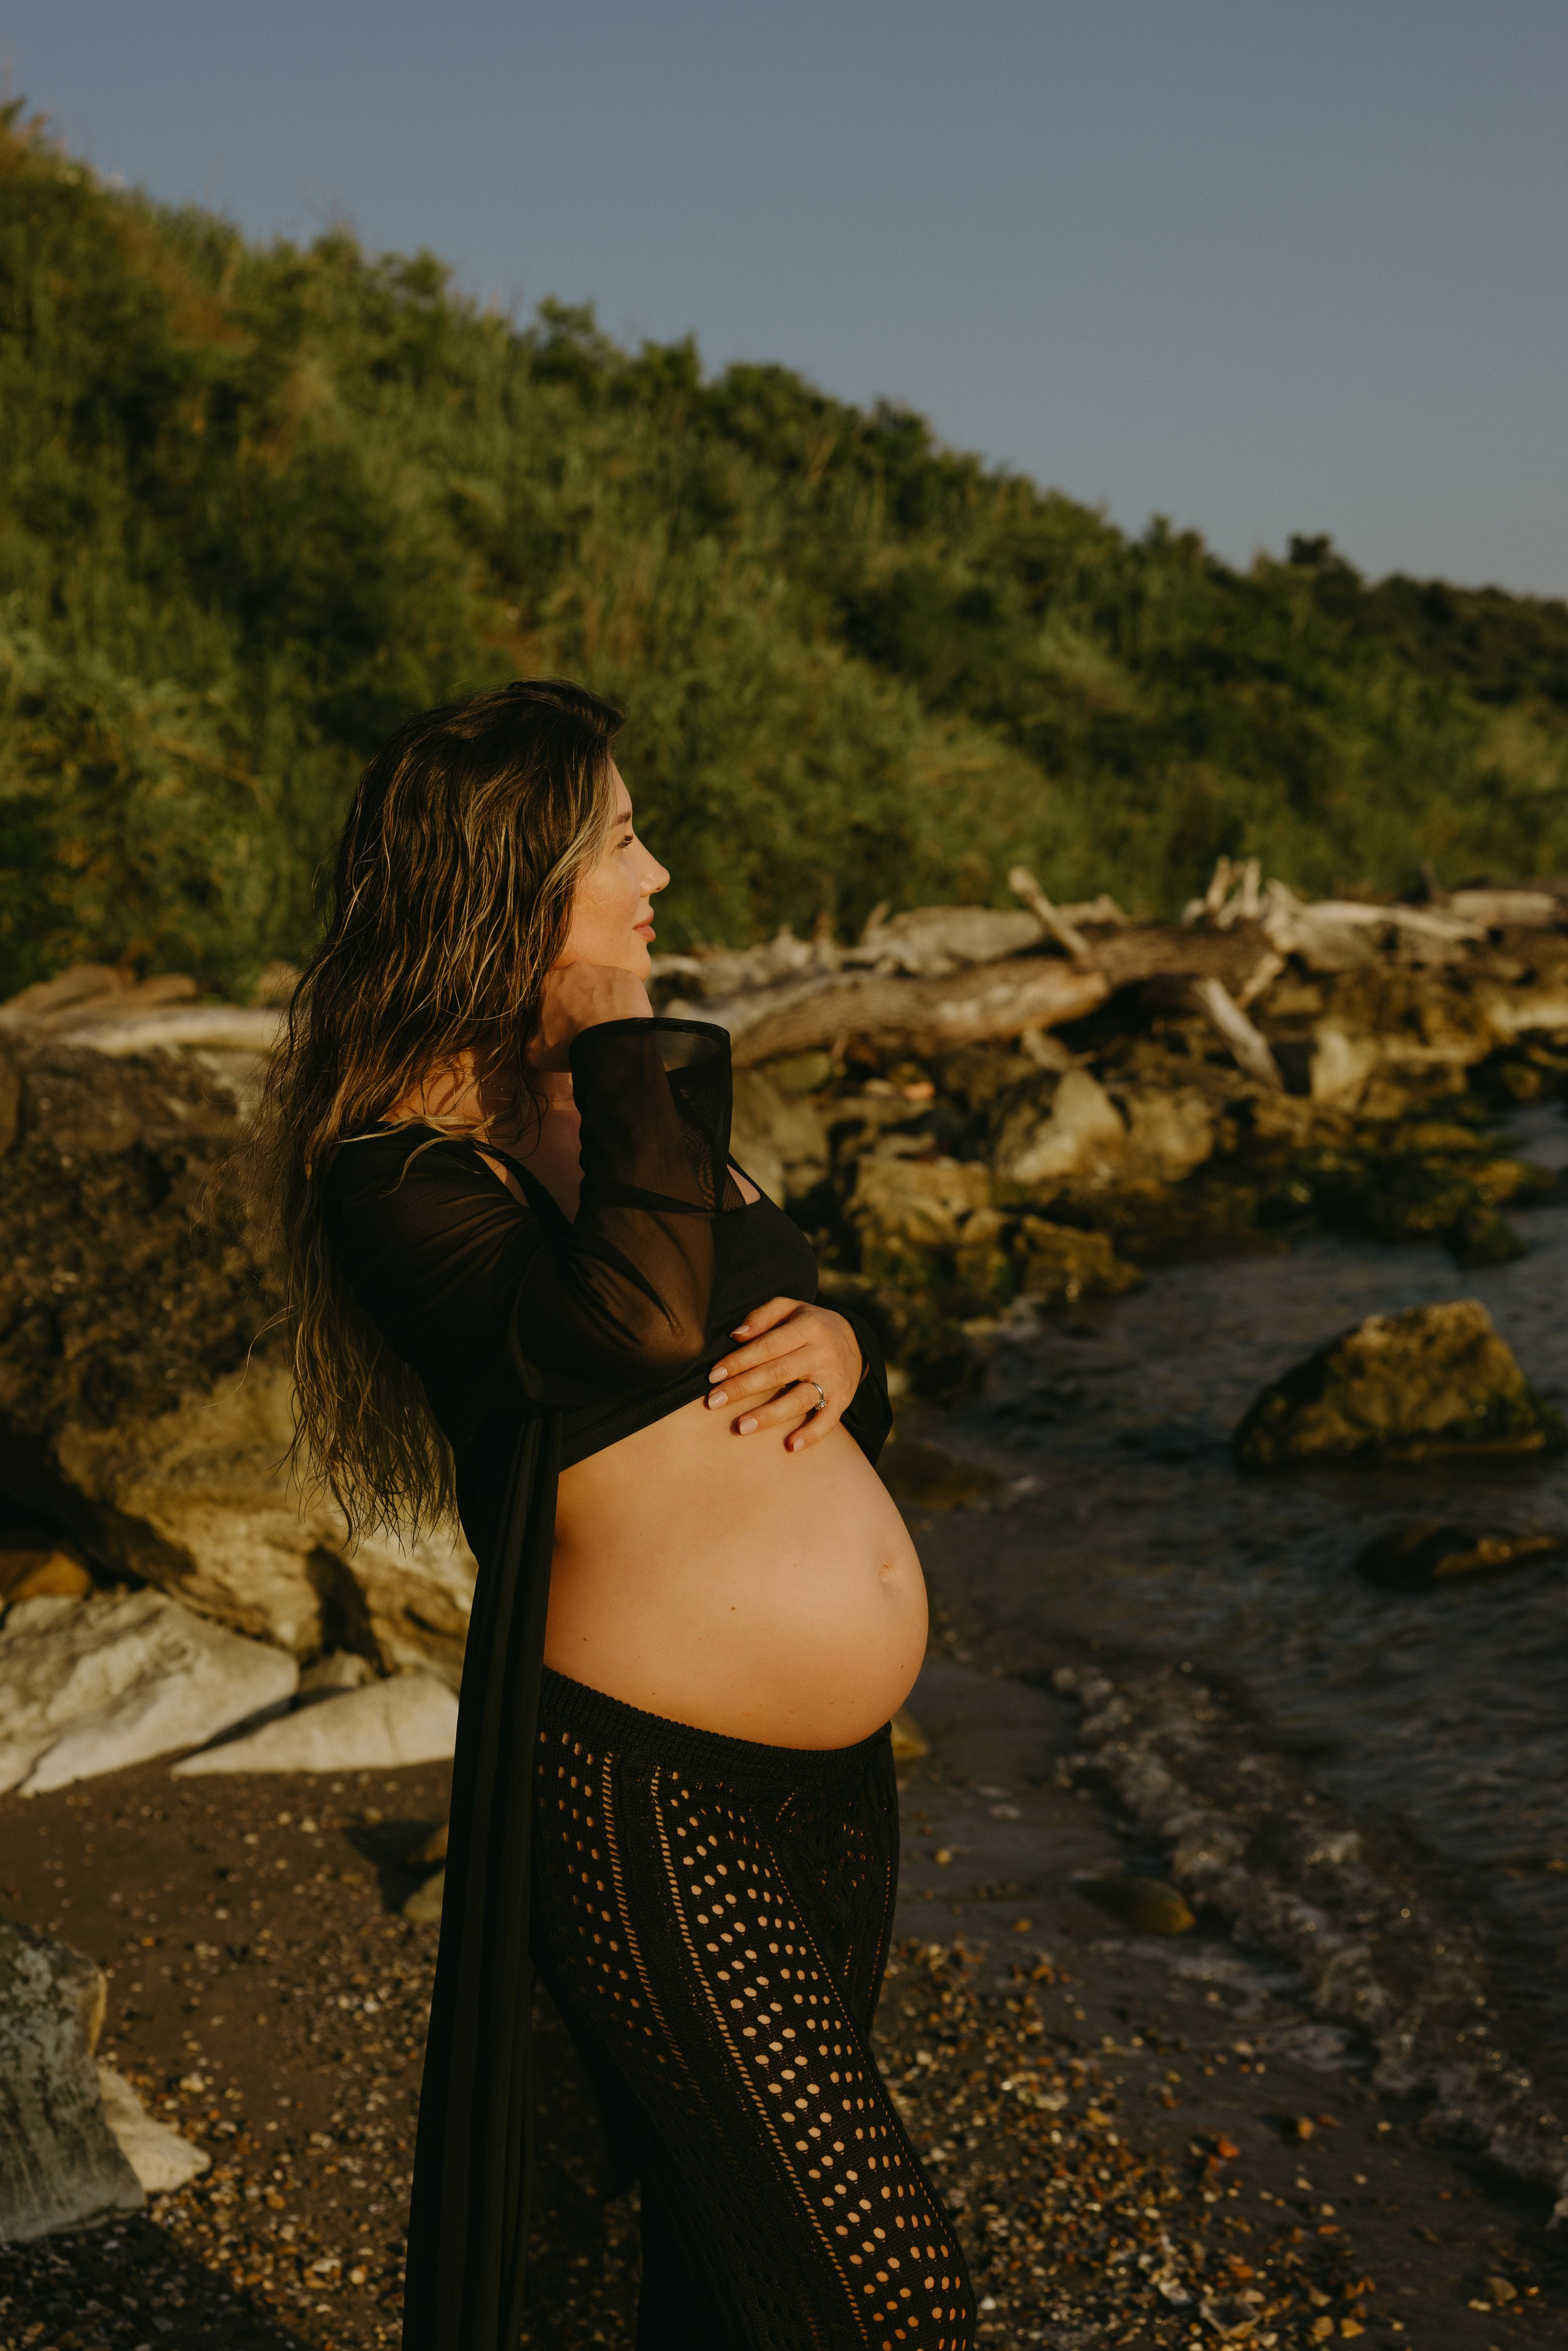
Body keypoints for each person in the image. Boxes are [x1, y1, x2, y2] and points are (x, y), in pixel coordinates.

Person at [259, 678, 975, 2350]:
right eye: (622, 840)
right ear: (515, 883)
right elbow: (631, 1333)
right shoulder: (398, 1171)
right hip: (652, 1798)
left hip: (829, 1788)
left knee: (739, 2282)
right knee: (895, 2298)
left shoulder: (613, 1112)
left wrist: (851, 1346)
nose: (656, 878)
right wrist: (615, 1038)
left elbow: (761, 1363)